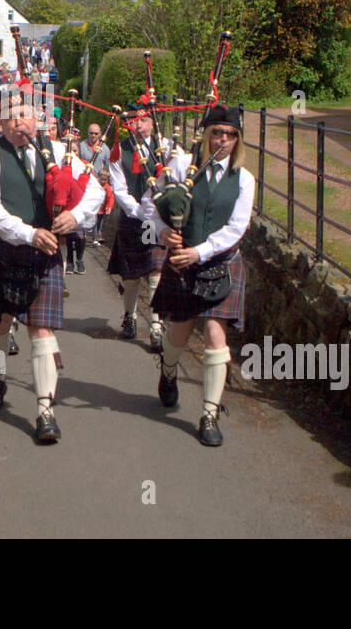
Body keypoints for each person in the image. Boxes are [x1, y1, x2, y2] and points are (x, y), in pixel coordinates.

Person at [0, 88, 103, 443]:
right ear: (0, 122)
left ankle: (44, 410)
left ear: (37, 118)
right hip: (1, 253)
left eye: (24, 114)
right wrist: (27, 233)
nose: (19, 122)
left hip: (45, 256)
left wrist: (76, 215)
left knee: (42, 331)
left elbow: (95, 191)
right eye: (11, 116)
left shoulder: (57, 152)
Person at [140, 104, 255, 447]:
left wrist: (200, 251)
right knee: (179, 332)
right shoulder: (180, 166)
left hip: (220, 262)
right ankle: (169, 371)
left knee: (216, 336)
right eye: (217, 132)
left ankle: (209, 414)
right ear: (206, 135)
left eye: (231, 134)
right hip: (182, 263)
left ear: (238, 139)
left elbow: (237, 227)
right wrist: (161, 232)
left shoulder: (244, 179)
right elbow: (151, 201)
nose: (223, 139)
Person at [107, 103, 171, 351]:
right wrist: (139, 212)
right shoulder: (119, 151)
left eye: (143, 120)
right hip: (133, 218)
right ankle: (129, 317)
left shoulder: (167, 147)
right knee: (131, 275)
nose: (138, 125)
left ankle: (156, 327)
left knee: (156, 270)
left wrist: (155, 212)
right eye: (133, 121)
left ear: (152, 122)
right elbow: (119, 188)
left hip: (158, 218)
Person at [92, 169, 114, 246]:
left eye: (105, 180)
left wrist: (109, 207)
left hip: (101, 209)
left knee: (100, 224)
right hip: (94, 208)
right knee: (95, 223)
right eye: (102, 179)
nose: (103, 181)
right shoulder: (95, 185)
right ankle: (95, 238)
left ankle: (97, 235)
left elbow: (110, 198)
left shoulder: (108, 188)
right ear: (98, 177)